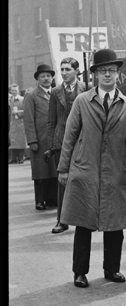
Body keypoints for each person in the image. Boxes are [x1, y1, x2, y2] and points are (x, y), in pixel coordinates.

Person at [57, 49, 126, 288]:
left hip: (116, 170)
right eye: (102, 71)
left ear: (117, 74)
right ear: (94, 74)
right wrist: (63, 169)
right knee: (83, 223)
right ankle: (80, 272)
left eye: (111, 71)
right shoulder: (83, 101)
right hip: (86, 169)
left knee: (115, 224)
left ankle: (112, 269)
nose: (107, 75)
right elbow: (70, 135)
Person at [46, 57, 85, 233]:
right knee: (62, 180)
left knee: (83, 180)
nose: (63, 72)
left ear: (77, 71)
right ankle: (62, 221)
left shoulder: (87, 88)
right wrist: (51, 144)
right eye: (62, 69)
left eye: (68, 69)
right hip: (61, 141)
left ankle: (84, 219)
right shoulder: (55, 92)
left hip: (82, 141)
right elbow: (51, 120)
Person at [23, 64, 58, 210]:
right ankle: (40, 200)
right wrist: (32, 140)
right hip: (39, 139)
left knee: (54, 170)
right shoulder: (31, 95)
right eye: (43, 76)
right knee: (40, 171)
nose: (46, 79)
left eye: (48, 76)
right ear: (37, 79)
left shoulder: (56, 93)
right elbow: (28, 119)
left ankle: (52, 199)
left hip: (54, 139)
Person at [8, 83, 27, 163]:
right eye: (12, 90)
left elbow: (26, 111)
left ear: (18, 91)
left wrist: (18, 113)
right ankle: (13, 158)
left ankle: (21, 157)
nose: (14, 92)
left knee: (21, 140)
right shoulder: (9, 100)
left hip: (20, 122)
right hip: (12, 123)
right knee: (13, 141)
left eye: (15, 90)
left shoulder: (22, 99)